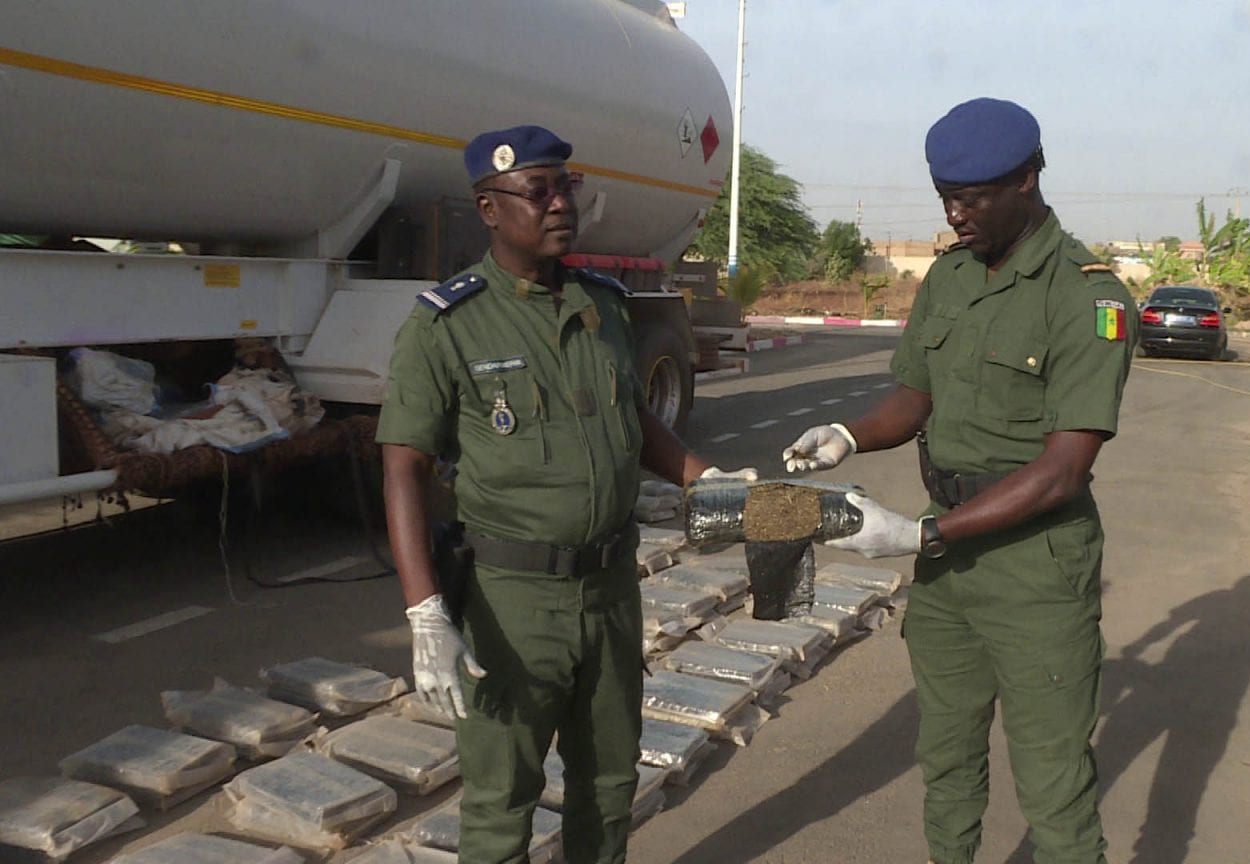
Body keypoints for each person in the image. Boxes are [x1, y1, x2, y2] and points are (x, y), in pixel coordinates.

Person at [376, 125, 754, 864]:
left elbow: (633, 419)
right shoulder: (447, 324)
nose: (559, 205)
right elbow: (403, 469)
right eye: (538, 191)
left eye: (565, 188)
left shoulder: (604, 305)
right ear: (490, 208)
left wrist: (703, 477)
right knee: (500, 802)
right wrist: (424, 612)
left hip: (611, 590)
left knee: (610, 786)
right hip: (512, 601)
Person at [782, 98, 1135, 864]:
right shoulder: (950, 277)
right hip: (949, 567)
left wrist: (917, 534)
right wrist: (846, 436)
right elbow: (917, 396)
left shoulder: (1087, 296)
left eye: (970, 199)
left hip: (1036, 567)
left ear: (1028, 181)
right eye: (945, 196)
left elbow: (1064, 470)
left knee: (1054, 785)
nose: (954, 214)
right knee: (945, 760)